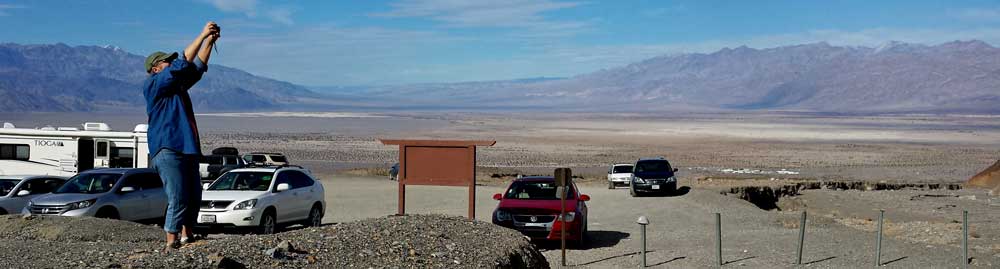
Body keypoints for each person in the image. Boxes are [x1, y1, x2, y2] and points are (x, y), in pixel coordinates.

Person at [143, 21, 220, 250]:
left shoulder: (176, 87)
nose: (170, 63)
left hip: (186, 148)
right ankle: (171, 241)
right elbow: (182, 63)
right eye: (166, 61)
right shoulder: (154, 84)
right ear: (156, 68)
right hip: (167, 148)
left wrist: (210, 41)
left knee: (193, 195)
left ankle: (187, 235)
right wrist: (202, 33)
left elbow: (197, 67)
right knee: (177, 195)